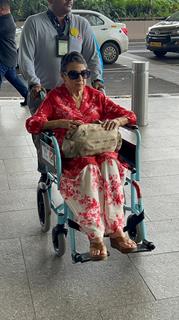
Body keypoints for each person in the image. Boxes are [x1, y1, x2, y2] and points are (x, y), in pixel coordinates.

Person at [26, 51, 137, 261]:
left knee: (111, 164)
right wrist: (59, 123)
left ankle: (116, 231)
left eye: (84, 73)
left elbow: (130, 115)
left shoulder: (95, 96)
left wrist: (118, 122)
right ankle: (95, 237)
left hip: (100, 150)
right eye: (74, 74)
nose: (81, 79)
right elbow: (32, 124)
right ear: (63, 76)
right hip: (72, 157)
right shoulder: (54, 98)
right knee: (90, 169)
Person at [19, 0, 104, 182]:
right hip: (44, 93)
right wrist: (34, 83)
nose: (69, 0)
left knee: (76, 133)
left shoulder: (81, 24)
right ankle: (46, 172)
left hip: (73, 95)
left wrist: (97, 80)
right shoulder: (34, 23)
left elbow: (93, 56)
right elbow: (25, 58)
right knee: (45, 137)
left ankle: (75, 170)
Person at [0, 0, 28, 106]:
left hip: (4, 59)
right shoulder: (7, 18)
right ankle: (27, 96)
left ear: (1, 10)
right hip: (10, 57)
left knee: (14, 79)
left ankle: (28, 96)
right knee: (14, 79)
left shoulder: (4, 23)